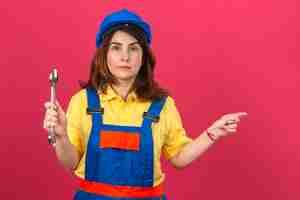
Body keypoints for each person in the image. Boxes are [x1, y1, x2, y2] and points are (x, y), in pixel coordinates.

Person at [43, 9, 248, 200]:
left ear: (144, 57)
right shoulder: (82, 102)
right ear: (104, 55)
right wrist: (60, 135)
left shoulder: (162, 105)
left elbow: (179, 158)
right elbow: (70, 163)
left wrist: (212, 133)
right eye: (116, 48)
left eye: (133, 48)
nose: (125, 57)